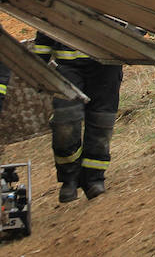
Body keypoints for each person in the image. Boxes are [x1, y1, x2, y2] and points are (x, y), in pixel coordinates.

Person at [31, 32, 124, 201]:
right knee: (64, 123)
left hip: (107, 65)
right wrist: (39, 66)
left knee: (101, 124)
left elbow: (137, 23)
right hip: (68, 68)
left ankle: (94, 179)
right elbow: (45, 25)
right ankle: (70, 177)